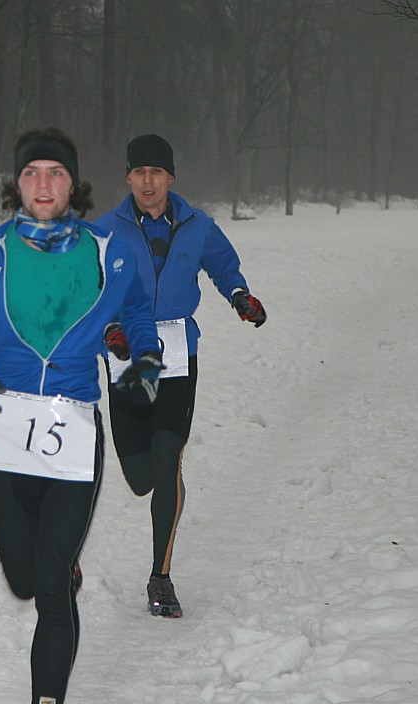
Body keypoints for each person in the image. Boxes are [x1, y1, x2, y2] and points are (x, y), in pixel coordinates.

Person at [0, 127, 161, 704]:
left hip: (77, 428)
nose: (43, 183)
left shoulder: (108, 251)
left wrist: (145, 361)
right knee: (23, 579)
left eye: (55, 173)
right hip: (9, 430)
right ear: (16, 182)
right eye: (31, 172)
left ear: (72, 183)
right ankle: (61, 568)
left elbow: (137, 311)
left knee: (51, 588)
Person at [94, 133, 267, 619]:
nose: (148, 181)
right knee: (140, 477)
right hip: (126, 352)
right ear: (128, 178)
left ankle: (161, 576)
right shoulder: (104, 231)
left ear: (170, 177)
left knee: (167, 458)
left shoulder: (198, 225)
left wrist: (239, 296)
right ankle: (164, 478)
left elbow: (224, 267)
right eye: (139, 172)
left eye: (156, 172)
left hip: (177, 352)